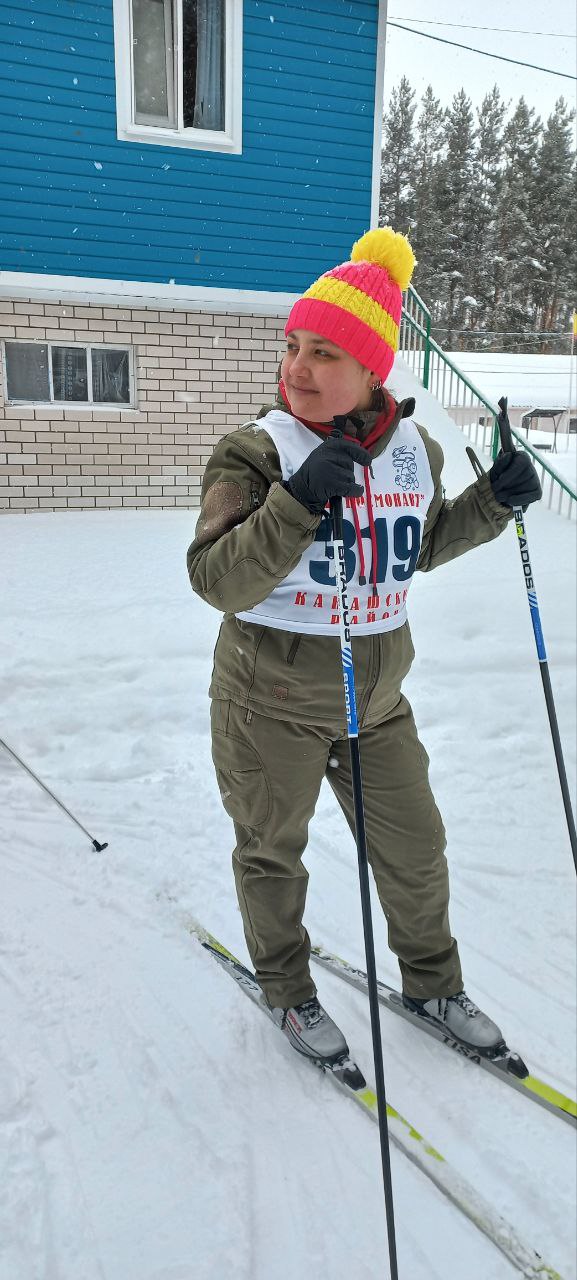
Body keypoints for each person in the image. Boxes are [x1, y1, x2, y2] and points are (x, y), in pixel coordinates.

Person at [186, 228, 541, 1068]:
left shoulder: (415, 450)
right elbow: (216, 579)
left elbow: (413, 547)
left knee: (415, 851)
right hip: (267, 704)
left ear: (372, 369)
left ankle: (432, 984)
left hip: (375, 703)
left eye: (325, 352)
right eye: (293, 346)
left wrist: (491, 503)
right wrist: (296, 501)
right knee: (273, 855)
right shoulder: (257, 451)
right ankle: (288, 990)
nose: (298, 368)